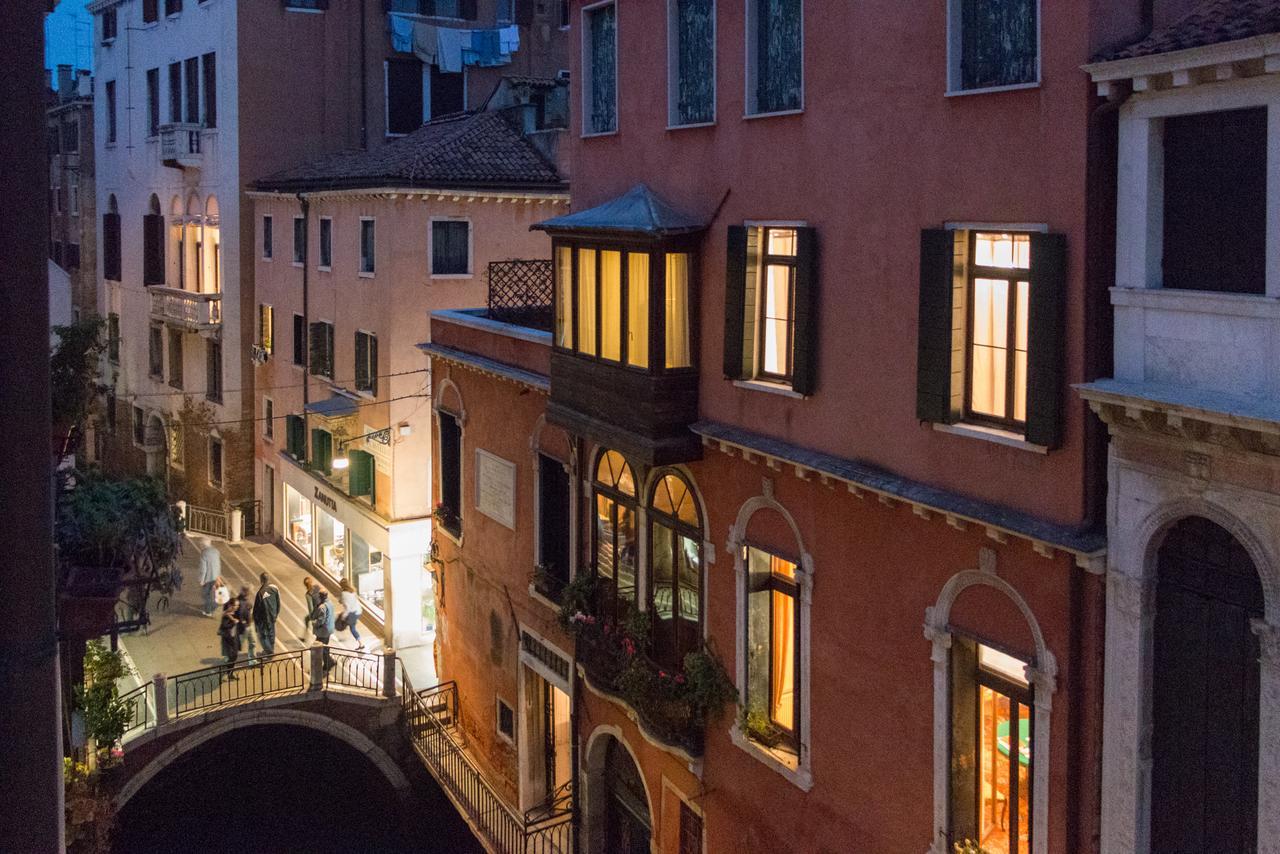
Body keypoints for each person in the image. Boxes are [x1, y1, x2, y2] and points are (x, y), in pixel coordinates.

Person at [252, 572, 281, 656]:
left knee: (263, 635)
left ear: (261, 580)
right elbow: (278, 602)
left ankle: (269, 651)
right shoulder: (275, 588)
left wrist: (255, 621)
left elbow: (256, 609)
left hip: (264, 618)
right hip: (272, 615)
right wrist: (276, 614)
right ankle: (271, 649)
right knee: (272, 633)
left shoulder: (260, 593)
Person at [310, 590, 336, 672]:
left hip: (323, 631)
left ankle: (328, 664)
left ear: (320, 596)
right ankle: (330, 662)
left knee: (320, 648)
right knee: (323, 647)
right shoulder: (330, 603)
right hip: (329, 629)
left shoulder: (322, 607)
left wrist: (314, 623)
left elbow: (320, 620)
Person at [197, 537, 222, 617]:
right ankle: (213, 604)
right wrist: (218, 576)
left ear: (203, 545)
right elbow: (218, 564)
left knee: (206, 594)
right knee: (214, 593)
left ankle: (209, 610)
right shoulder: (216, 551)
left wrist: (201, 580)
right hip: (215, 576)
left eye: (200, 544)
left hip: (207, 578)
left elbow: (203, 569)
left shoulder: (204, 554)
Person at [338, 579, 365, 652]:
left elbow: (348, 608)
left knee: (352, 628)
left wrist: (343, 616)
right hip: (358, 610)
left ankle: (361, 644)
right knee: (349, 625)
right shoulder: (353, 590)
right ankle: (343, 636)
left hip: (352, 612)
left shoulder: (344, 594)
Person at [218, 600, 240, 679]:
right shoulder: (226, 615)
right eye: (236, 605)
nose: (237, 607)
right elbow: (224, 626)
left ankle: (230, 672)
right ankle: (228, 672)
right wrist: (233, 622)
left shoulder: (234, 613)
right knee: (232, 656)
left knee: (234, 656)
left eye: (237, 605)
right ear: (231, 605)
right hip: (229, 639)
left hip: (234, 638)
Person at [234, 586, 254, 661]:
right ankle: (230, 659)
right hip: (244, 627)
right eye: (249, 591)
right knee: (239, 644)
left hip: (248, 625)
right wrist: (244, 623)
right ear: (246, 592)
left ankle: (252, 660)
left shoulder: (246, 600)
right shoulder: (239, 601)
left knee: (252, 642)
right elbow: (239, 614)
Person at [300, 577, 321, 643]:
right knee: (307, 619)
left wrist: (312, 618)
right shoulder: (317, 587)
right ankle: (305, 637)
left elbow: (310, 607)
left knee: (308, 620)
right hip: (323, 608)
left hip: (317, 611)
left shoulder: (308, 594)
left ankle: (306, 637)